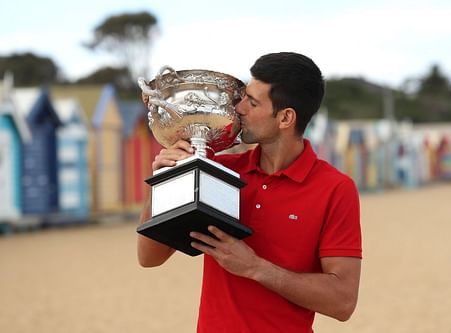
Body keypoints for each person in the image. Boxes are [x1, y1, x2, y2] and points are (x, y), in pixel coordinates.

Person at [137, 52, 362, 333]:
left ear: (285, 117)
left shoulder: (335, 188)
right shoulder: (219, 170)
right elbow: (149, 258)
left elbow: (343, 302)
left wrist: (255, 267)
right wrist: (162, 179)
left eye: (252, 102)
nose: (239, 107)